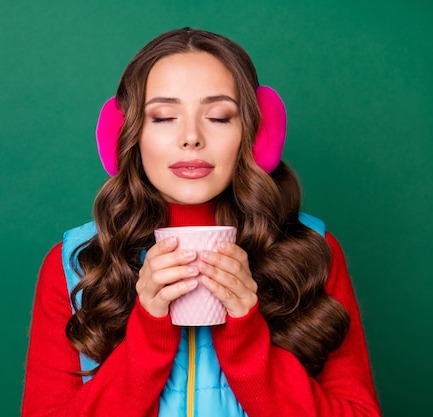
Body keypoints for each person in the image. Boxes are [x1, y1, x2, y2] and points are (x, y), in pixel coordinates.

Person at [21, 28, 381, 417]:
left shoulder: (313, 251)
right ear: (126, 135)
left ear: (257, 135)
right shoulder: (74, 264)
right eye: (163, 117)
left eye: (218, 116)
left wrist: (245, 334)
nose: (191, 137)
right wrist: (149, 333)